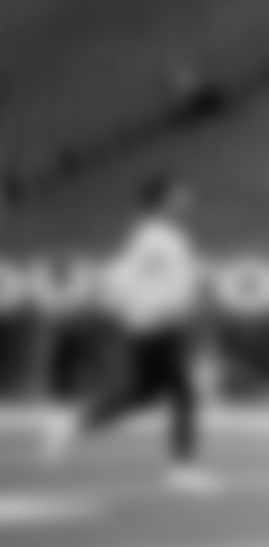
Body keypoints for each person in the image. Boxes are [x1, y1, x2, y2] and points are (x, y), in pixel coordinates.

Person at [41, 174, 219, 496]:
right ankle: (183, 468)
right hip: (156, 325)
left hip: (158, 324)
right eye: (179, 194)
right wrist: (139, 306)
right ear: (164, 199)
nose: (187, 198)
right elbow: (126, 275)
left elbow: (138, 276)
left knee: (141, 395)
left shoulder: (161, 235)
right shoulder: (156, 237)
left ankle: (75, 425)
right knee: (184, 394)